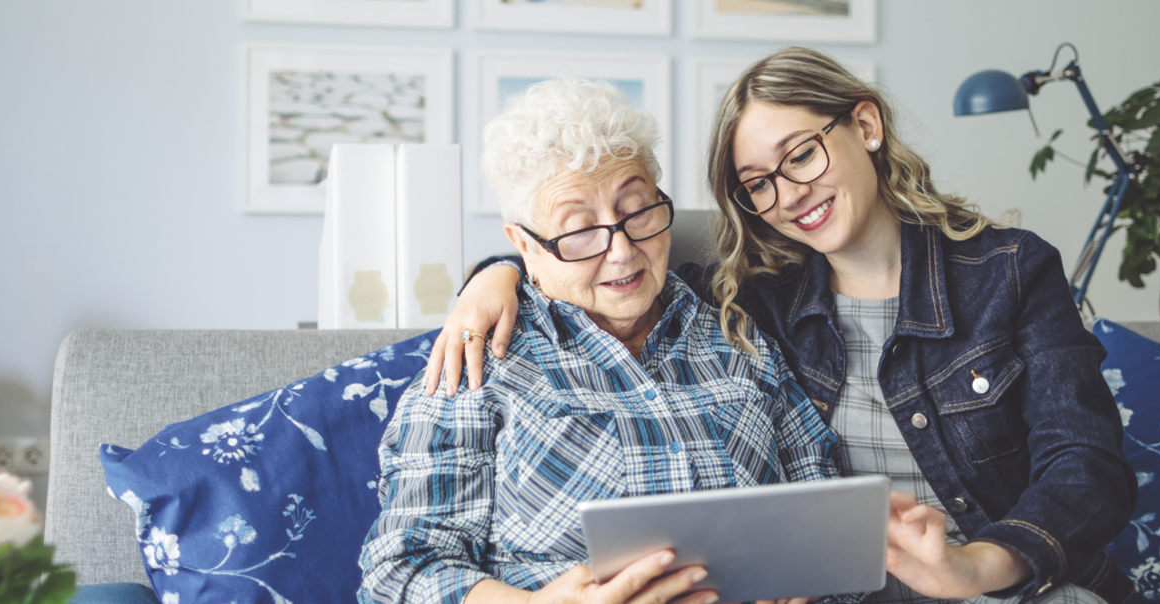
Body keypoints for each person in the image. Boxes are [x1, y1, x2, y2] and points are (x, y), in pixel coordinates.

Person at [426, 48, 1137, 604]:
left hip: (1002, 579)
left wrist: (972, 566)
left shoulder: (1008, 271)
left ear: (865, 125)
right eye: (758, 184)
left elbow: (1087, 464)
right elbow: (605, 269)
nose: (789, 194)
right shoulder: (753, 300)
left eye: (800, 155)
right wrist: (496, 275)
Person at [358, 76, 849, 604]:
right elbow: (399, 572)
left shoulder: (738, 336)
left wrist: (809, 582)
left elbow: (825, 509)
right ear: (524, 244)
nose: (621, 252)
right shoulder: (478, 364)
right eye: (578, 231)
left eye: (638, 211)